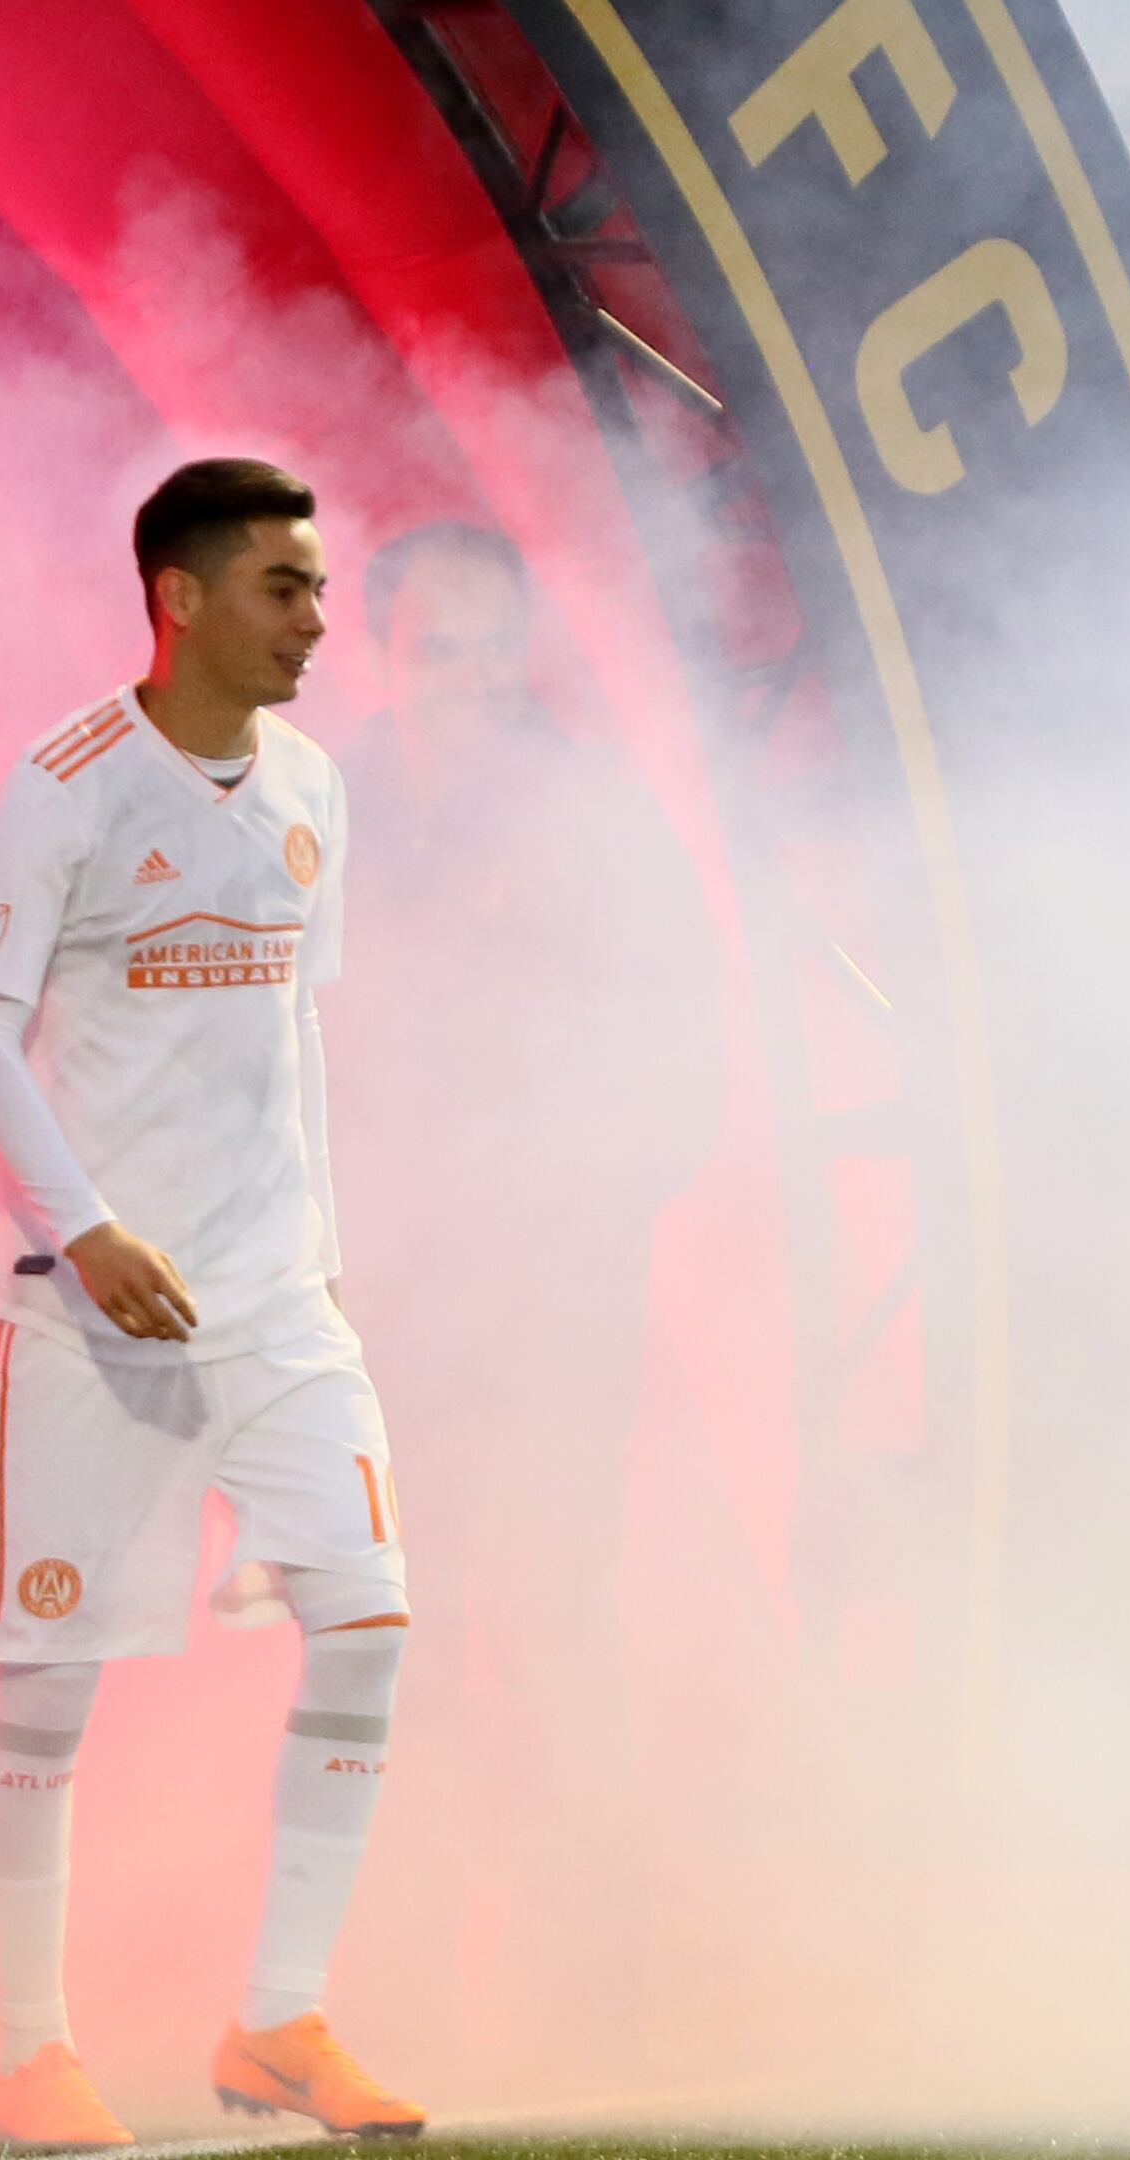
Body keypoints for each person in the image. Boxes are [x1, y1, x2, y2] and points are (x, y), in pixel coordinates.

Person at [0, 458, 423, 2144]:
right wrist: (84, 1230)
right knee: (50, 1692)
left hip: (283, 1310)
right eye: (285, 589)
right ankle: (32, 2053)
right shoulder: (65, 780)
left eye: (318, 590)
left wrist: (329, 1259)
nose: (314, 622)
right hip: (92, 1319)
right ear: (185, 598)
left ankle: (280, 2024)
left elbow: (294, 1040)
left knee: (365, 1622)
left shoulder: (313, 787)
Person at [328, 521, 721, 2055]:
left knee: (555, 1634)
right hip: (372, 1315)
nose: (474, 682)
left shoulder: (599, 816)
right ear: (384, 651)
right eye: (441, 650)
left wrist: (564, 1203)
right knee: (378, 1648)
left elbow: (684, 1061)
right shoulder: (324, 809)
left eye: (500, 649)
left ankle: (584, 2011)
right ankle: (385, 1998)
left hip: (549, 1310)